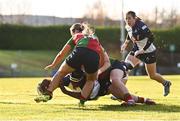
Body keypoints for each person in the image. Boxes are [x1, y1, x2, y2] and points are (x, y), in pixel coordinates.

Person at [34, 23, 110, 102]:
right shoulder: (95, 38)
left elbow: (62, 53)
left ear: (74, 31)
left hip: (80, 51)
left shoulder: (76, 36)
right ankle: (82, 100)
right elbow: (102, 54)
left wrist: (54, 64)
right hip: (94, 56)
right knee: (90, 80)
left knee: (60, 73)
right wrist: (98, 68)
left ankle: (48, 94)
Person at [58, 58, 156, 106]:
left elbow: (83, 97)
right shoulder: (68, 79)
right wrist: (48, 86)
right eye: (73, 82)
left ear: (83, 77)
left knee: (114, 82)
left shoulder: (89, 76)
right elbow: (57, 81)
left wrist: (66, 92)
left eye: (77, 82)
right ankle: (145, 100)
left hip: (114, 67)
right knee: (115, 92)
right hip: (102, 82)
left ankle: (130, 100)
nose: (75, 84)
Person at [120, 11, 171, 97]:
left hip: (148, 52)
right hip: (137, 50)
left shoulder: (141, 26)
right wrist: (125, 43)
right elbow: (130, 33)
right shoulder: (128, 26)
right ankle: (120, 92)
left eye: (129, 18)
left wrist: (143, 50)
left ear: (134, 18)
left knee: (152, 75)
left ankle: (166, 83)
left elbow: (151, 38)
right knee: (125, 68)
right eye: (126, 18)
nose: (127, 20)